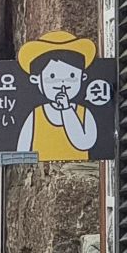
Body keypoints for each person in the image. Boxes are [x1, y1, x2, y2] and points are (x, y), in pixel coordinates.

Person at [16, 31, 98, 160]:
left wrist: (67, 110)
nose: (62, 83)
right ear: (36, 79)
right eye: (52, 77)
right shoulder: (36, 115)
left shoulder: (84, 112)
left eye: (72, 76)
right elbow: (22, 149)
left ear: (83, 77)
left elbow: (84, 143)